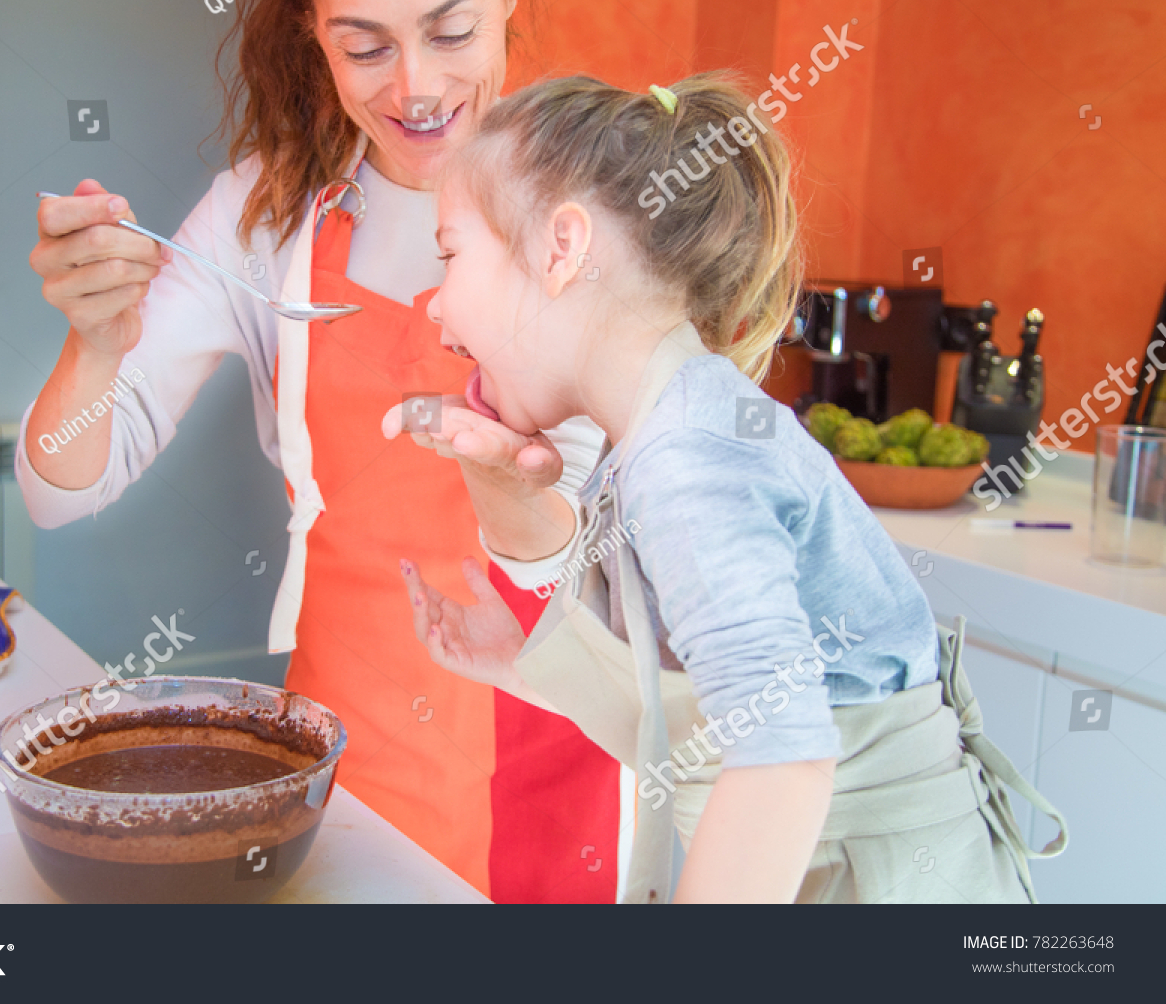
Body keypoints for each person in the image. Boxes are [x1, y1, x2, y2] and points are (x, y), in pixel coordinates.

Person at [17, 0, 622, 901]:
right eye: (365, 45)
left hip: (549, 755)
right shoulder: (267, 220)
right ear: (311, 27)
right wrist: (93, 345)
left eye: (452, 29)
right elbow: (61, 493)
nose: (417, 86)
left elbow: (588, 540)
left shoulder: (597, 213)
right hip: (341, 752)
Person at [399, 73, 1068, 902]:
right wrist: (531, 667)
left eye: (451, 252)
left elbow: (783, 758)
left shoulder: (686, 458)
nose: (432, 305)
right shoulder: (666, 431)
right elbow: (722, 716)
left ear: (561, 249)